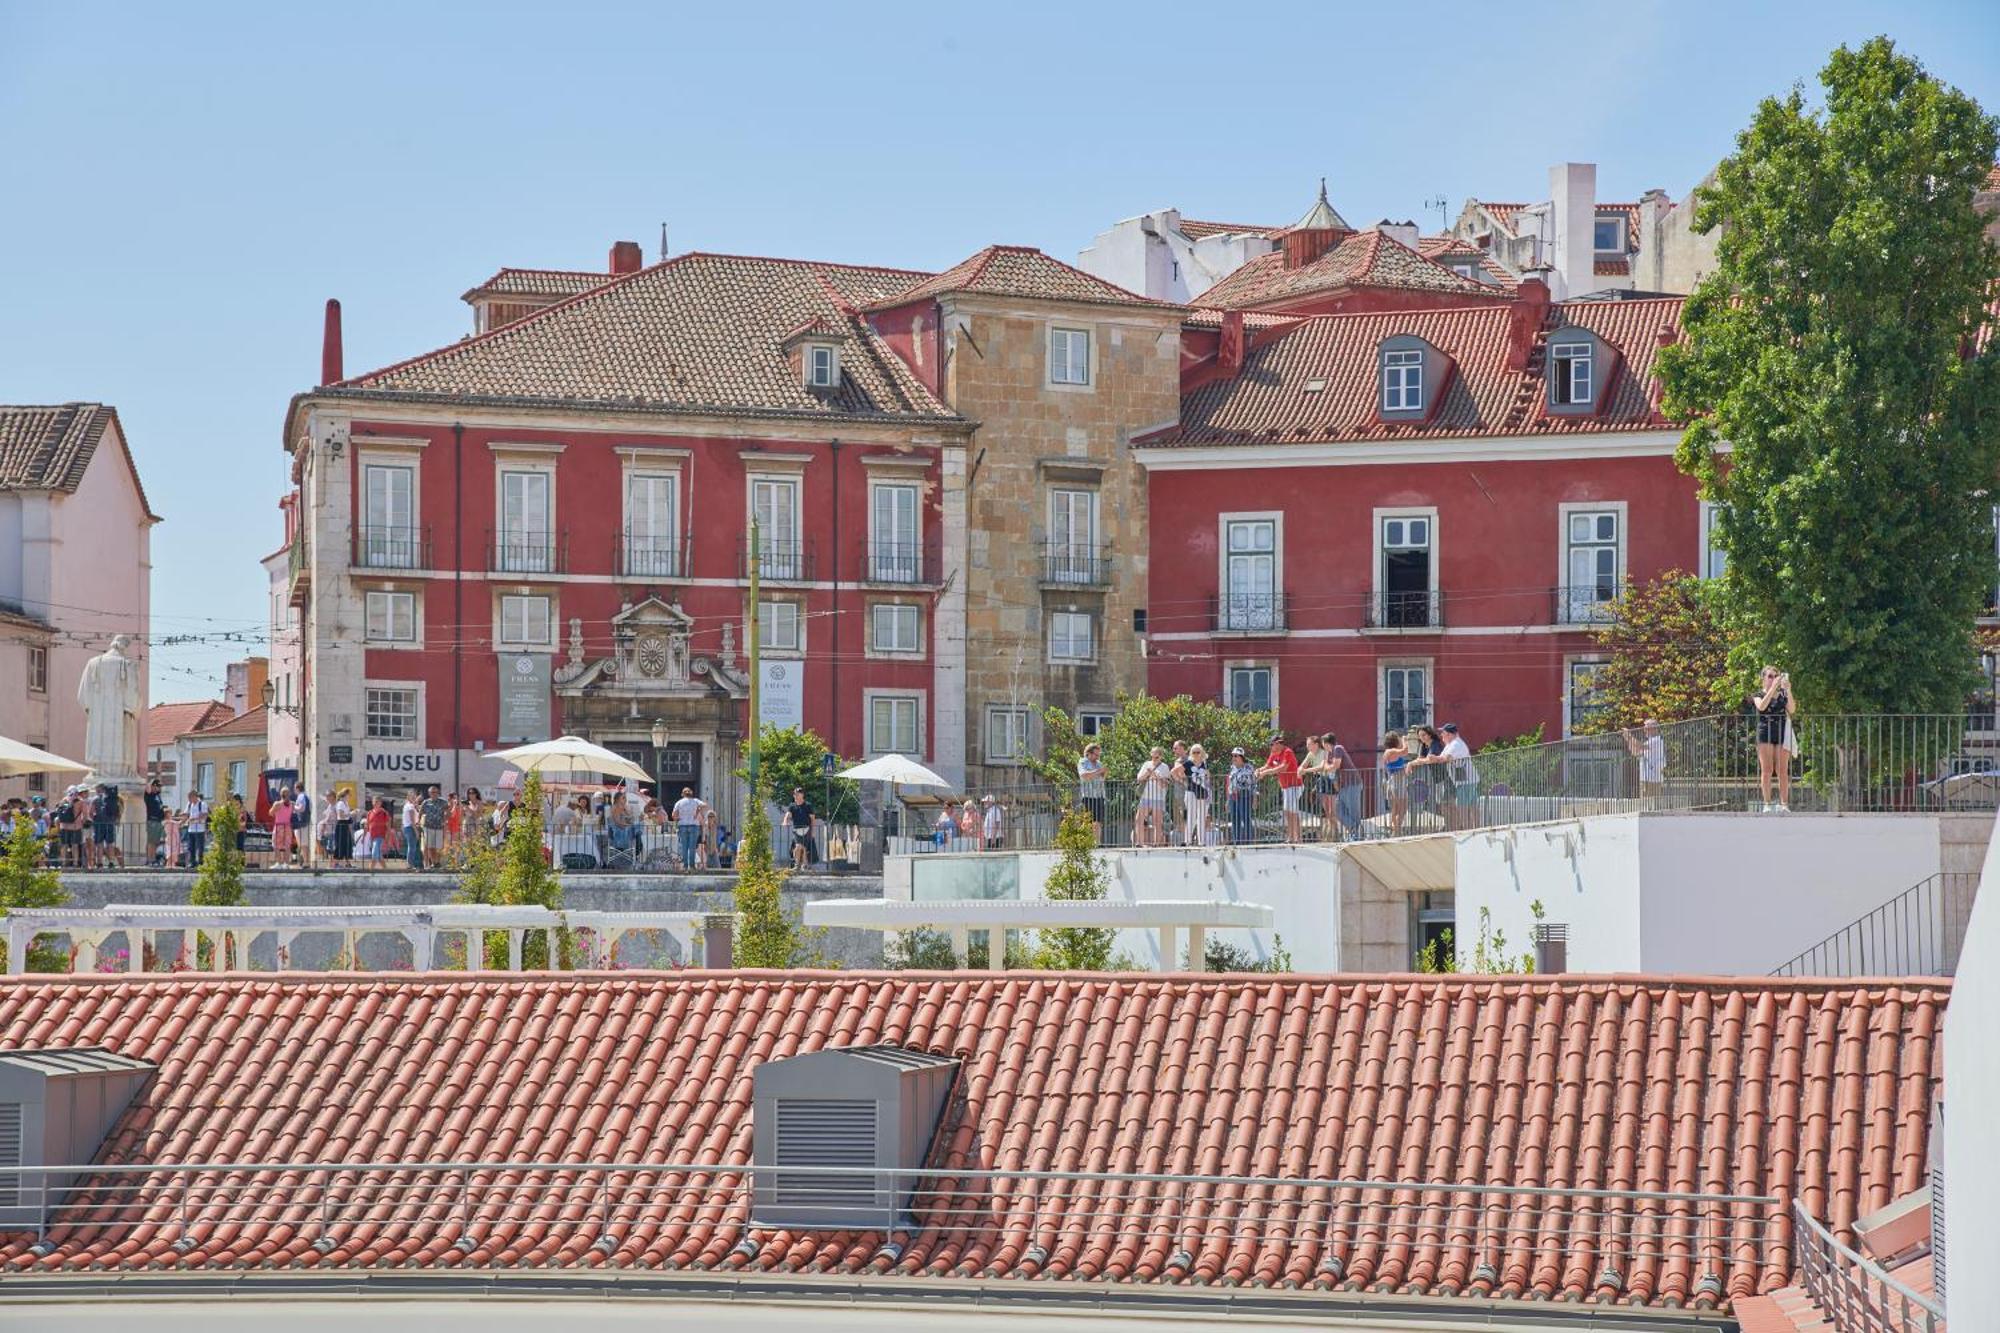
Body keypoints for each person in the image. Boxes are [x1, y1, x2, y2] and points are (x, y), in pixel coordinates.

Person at [1752, 666, 1796, 812]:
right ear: (1763, 678)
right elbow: (1761, 707)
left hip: (1782, 732)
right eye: (1770, 676)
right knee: (1767, 770)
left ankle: (1784, 804)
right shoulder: (1758, 694)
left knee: (1782, 770)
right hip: (1765, 731)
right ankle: (1767, 804)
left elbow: (1792, 709)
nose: (1774, 678)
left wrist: (1787, 689)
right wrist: (1772, 689)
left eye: (1776, 676)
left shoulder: (1783, 694)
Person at [1257, 734, 1303, 843]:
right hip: (1286, 787)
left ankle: (1297, 838)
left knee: (1292, 811)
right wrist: (1258, 770)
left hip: (1294, 785)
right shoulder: (1274, 753)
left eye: (1271, 744)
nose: (1270, 747)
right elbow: (1267, 766)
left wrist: (1266, 772)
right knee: (1288, 811)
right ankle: (1292, 837)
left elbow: (1283, 768)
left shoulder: (1287, 752)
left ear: (1277, 744)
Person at [1437, 723, 1481, 831]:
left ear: (1450, 734)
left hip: (1466, 781)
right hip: (1466, 780)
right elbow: (1441, 757)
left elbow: (1447, 758)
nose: (1441, 735)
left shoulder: (1456, 744)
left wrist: (1432, 759)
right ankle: (1476, 829)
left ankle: (1468, 830)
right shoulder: (1450, 744)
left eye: (1443, 733)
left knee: (1463, 807)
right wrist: (1432, 758)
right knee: (1471, 805)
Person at [1324, 733, 1363, 839]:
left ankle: (1357, 835)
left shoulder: (1338, 748)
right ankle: (1354, 828)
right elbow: (1325, 765)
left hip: (1352, 783)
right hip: (1343, 786)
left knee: (1353, 810)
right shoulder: (1330, 753)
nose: (1323, 747)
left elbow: (1336, 765)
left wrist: (1329, 767)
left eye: (1324, 744)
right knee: (1337, 810)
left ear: (1327, 743)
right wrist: (1329, 767)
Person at [1624, 720, 1667, 806]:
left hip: (1653, 778)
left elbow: (1640, 746)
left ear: (1654, 729)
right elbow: (1635, 752)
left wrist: (1629, 735)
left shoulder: (1657, 740)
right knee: (1645, 803)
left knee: (1651, 804)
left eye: (1647, 728)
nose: (1644, 730)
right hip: (1645, 778)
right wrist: (1628, 739)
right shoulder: (1650, 741)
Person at [1135, 747, 1170, 847]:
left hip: (1158, 797)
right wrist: (1147, 773)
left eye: (1157, 757)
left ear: (1161, 756)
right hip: (1146, 796)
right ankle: (1140, 843)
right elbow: (1139, 779)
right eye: (1153, 756)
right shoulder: (1146, 764)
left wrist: (1156, 775)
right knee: (1139, 819)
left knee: (1157, 821)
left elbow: (1165, 784)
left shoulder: (1164, 767)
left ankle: (1156, 843)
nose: (1154, 758)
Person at [1380, 731, 1412, 836]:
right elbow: (1405, 751)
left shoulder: (1387, 752)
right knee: (1403, 808)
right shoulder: (1391, 751)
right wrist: (1404, 740)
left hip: (1392, 781)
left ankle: (1394, 829)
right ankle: (1396, 831)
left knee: (1395, 809)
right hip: (1398, 781)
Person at [1181, 744, 1212, 846]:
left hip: (1202, 792)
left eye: (1198, 752)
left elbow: (1208, 777)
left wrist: (1207, 776)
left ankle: (1201, 841)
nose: (1195, 754)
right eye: (1193, 752)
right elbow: (1174, 771)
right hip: (1191, 792)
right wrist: (1182, 780)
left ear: (1201, 753)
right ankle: (1187, 840)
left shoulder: (1204, 764)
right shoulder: (1188, 763)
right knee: (1191, 816)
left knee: (1201, 817)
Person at [1076, 744, 1107, 842]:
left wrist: (1104, 772)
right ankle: (1084, 842)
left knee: (1098, 821)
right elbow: (1084, 775)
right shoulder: (1083, 762)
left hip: (1099, 795)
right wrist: (1099, 772)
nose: (1097, 757)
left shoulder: (1099, 763)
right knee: (1087, 821)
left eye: (1099, 755)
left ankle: (1096, 843)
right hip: (1088, 796)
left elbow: (1102, 778)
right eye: (1096, 754)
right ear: (1088, 753)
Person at [1226, 747, 1257, 845]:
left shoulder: (1249, 768)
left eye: (1236, 756)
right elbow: (1230, 785)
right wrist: (1227, 800)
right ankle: (1237, 842)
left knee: (1246, 818)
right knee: (1235, 819)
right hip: (1233, 796)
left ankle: (1248, 842)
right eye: (1232, 756)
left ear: (1241, 757)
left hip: (1244, 795)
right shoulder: (1232, 768)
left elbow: (1254, 784)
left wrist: (1255, 798)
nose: (1233, 758)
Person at [673, 787, 706, 870]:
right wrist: (697, 811)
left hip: (683, 825)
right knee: (692, 846)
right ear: (691, 793)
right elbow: (705, 805)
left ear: (682, 794)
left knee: (684, 846)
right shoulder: (695, 801)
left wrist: (678, 818)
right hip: (694, 825)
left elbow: (673, 815)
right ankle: (692, 865)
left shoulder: (679, 802)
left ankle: (685, 865)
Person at [92, 782, 124, 869]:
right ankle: (111, 862)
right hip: (110, 823)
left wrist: (93, 819)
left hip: (99, 824)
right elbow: (120, 810)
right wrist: (117, 820)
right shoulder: (115, 798)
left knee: (99, 844)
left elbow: (91, 812)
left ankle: (100, 863)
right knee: (110, 844)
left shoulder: (96, 799)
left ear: (99, 789)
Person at [418, 784, 448, 869]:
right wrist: (418, 821)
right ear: (429, 793)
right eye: (431, 792)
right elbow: (420, 812)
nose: (433, 794)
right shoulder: (426, 802)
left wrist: (445, 817)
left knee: (438, 846)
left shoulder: (443, 802)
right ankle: (434, 863)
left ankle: (437, 861)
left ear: (438, 792)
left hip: (439, 826)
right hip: (428, 826)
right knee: (430, 846)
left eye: (435, 792)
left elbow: (447, 812)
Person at [270, 786, 295, 868]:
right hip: (288, 826)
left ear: (281, 794)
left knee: (276, 845)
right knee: (287, 845)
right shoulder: (292, 804)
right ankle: (286, 864)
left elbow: (271, 813)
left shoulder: (277, 804)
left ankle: (278, 863)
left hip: (279, 826)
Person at [143, 778, 167, 866]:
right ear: (153, 786)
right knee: (151, 842)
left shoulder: (158, 795)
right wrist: (151, 782)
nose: (160, 788)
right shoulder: (149, 795)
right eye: (158, 786)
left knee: (156, 842)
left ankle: (153, 858)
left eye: (160, 786)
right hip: (152, 820)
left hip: (158, 821)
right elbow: (146, 787)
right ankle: (150, 859)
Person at [184, 789, 211, 867]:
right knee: (191, 846)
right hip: (191, 829)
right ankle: (192, 862)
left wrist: (195, 819)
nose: (189, 800)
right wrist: (182, 821)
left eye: (190, 798)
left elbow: (205, 815)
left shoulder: (202, 804)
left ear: (194, 796)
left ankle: (200, 862)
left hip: (200, 829)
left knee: (200, 846)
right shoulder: (189, 804)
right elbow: (186, 814)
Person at [402, 787, 426, 872]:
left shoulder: (408, 805)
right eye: (411, 796)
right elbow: (412, 821)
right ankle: (410, 864)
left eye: (414, 796)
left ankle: (412, 864)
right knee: (412, 847)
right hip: (411, 828)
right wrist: (416, 831)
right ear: (408, 797)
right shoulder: (410, 806)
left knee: (412, 847)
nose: (413, 798)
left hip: (408, 828)